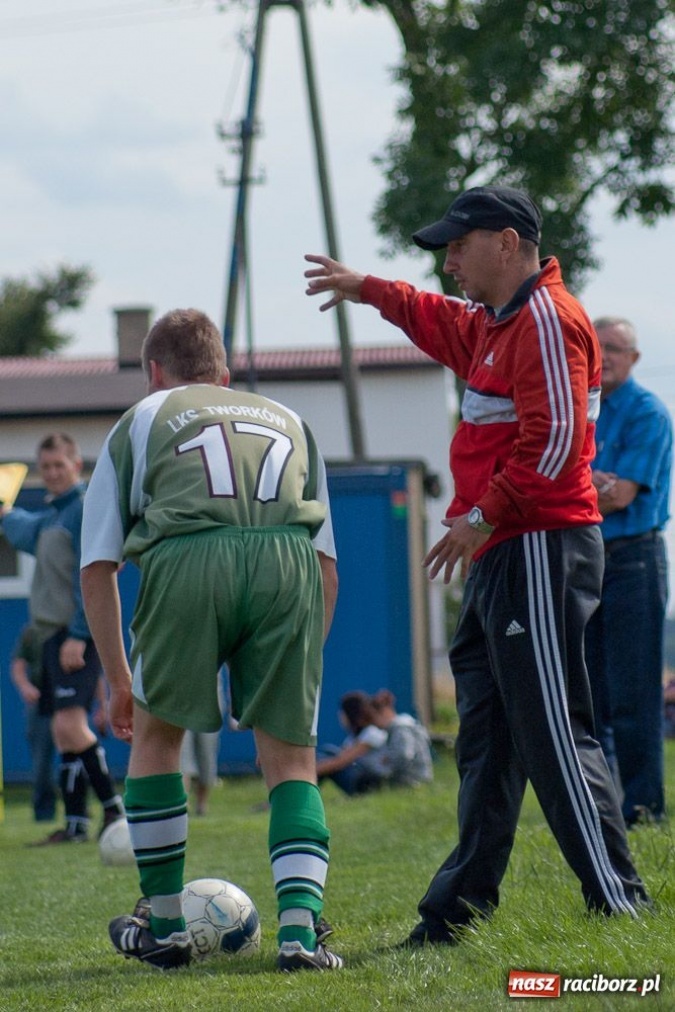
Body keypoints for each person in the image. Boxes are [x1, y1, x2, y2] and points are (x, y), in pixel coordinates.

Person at [305, 184, 651, 947]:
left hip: (536, 544)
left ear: (505, 241)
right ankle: (454, 913)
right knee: (487, 741)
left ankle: (620, 902)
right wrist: (368, 289)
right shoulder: (495, 324)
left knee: (554, 731)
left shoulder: (547, 320)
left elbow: (557, 444)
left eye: (457, 247)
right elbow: (438, 320)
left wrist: (482, 516)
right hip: (503, 549)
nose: (448, 262)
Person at [79, 308, 343, 972]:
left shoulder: (140, 419)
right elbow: (327, 565)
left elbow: (97, 566)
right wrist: (303, 660)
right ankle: (299, 935)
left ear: (154, 373)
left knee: (158, 739)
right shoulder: (290, 419)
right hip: (289, 564)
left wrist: (119, 682)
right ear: (224, 375)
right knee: (291, 760)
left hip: (189, 559)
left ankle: (165, 928)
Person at [1, 433, 125, 844]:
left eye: (60, 465)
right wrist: (5, 512)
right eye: (46, 467)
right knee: (62, 730)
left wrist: (78, 633)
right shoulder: (55, 514)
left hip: (75, 635)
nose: (52, 473)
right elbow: (26, 529)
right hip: (53, 637)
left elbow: (90, 575)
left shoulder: (83, 509)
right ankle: (76, 825)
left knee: (71, 726)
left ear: (77, 466)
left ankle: (115, 810)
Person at [584, 317, 672, 826]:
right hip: (589, 556)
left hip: (635, 560)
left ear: (635, 358)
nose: (607, 356)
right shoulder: (584, 410)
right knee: (591, 691)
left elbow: (619, 496)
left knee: (634, 692)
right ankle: (603, 807)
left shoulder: (647, 413)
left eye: (616, 348)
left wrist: (584, 486)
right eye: (599, 347)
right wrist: (590, 483)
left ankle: (643, 809)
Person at [10, 623, 57, 822]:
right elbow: (18, 664)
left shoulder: (75, 627)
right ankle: (44, 812)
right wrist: (25, 687)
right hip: (40, 700)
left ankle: (78, 807)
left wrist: (102, 704)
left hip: (71, 698)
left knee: (78, 758)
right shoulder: (32, 632)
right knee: (41, 763)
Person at [316, 691, 389, 795]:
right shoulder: (353, 738)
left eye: (342, 712)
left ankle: (304, 784)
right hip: (358, 776)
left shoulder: (372, 733)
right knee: (327, 752)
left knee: (330, 754)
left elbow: (341, 761)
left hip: (369, 782)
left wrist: (310, 770)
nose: (340, 716)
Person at [370, 689, 434, 787]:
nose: (373, 723)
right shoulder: (405, 724)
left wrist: (387, 761)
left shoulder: (400, 729)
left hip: (414, 779)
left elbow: (404, 756)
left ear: (384, 711)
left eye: (373, 718)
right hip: (419, 777)